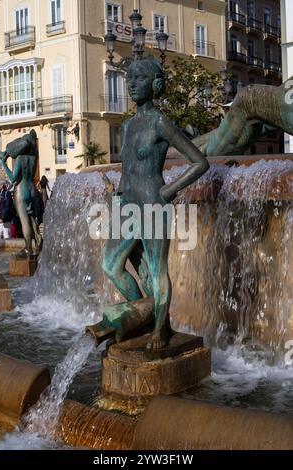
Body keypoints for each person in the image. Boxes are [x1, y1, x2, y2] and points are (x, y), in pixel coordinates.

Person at [102, 56, 209, 349]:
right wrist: (117, 199)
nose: (132, 84)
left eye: (140, 79)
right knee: (110, 265)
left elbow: (199, 162)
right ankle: (144, 315)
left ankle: (161, 328)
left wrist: (168, 191)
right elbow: (127, 170)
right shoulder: (127, 126)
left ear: (155, 85)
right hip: (128, 205)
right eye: (130, 79)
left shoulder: (160, 122)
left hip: (153, 202)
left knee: (155, 269)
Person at [0, 130, 43, 255]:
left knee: (25, 222)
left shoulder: (19, 158)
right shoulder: (34, 157)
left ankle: (28, 248)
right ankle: (39, 246)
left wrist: (4, 163)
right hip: (32, 189)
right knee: (33, 220)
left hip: (21, 189)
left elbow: (13, 178)